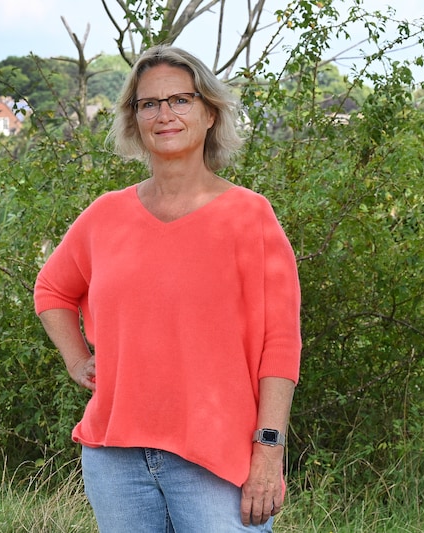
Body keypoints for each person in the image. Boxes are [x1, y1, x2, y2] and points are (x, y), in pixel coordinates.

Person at [33, 45, 301, 532]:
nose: (164, 114)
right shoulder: (104, 216)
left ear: (209, 113)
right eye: (148, 103)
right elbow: (52, 289)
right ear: (134, 119)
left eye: (180, 100)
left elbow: (279, 345)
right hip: (116, 460)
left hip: (219, 461)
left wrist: (269, 450)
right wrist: (76, 360)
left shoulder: (250, 218)